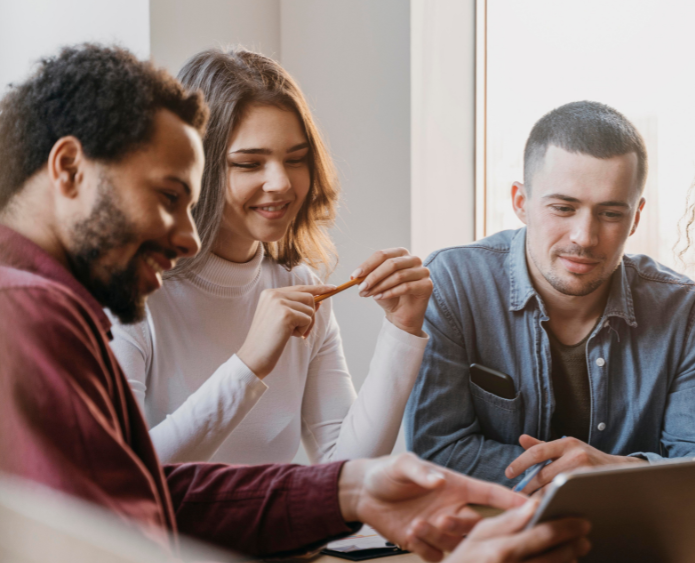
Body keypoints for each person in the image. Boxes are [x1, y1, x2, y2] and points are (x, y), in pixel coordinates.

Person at [0, 44, 590, 563]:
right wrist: (250, 365)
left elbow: (152, 493)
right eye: (169, 194)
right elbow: (130, 509)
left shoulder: (77, 297)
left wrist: (350, 485)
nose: (185, 236)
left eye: (295, 157)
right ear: (69, 168)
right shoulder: (56, 308)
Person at [107, 48, 430, 465]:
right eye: (249, 164)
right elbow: (125, 475)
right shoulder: (132, 295)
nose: (281, 182)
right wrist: (249, 363)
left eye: (296, 159)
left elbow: (345, 469)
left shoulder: (301, 289)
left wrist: (402, 330)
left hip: (277, 533)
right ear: (193, 169)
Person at [406, 100, 695, 490]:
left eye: (610, 214)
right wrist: (581, 475)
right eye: (563, 208)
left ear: (636, 217)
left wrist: (605, 470)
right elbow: (436, 452)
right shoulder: (453, 283)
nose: (584, 237)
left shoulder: (687, 312)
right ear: (520, 202)